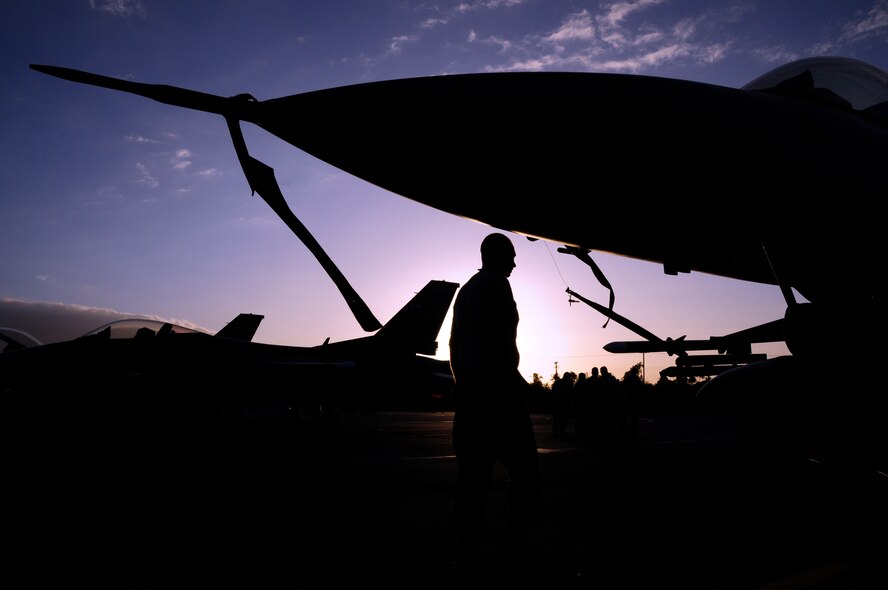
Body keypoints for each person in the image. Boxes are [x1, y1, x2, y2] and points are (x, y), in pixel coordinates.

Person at [449, 232, 541, 570]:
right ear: (496, 255)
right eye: (511, 255)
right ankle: (516, 540)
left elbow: (454, 344)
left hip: (470, 396)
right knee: (526, 471)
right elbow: (499, 337)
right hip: (498, 397)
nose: (515, 263)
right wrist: (515, 381)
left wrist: (462, 383)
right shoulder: (497, 286)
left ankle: (466, 545)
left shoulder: (466, 290)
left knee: (472, 477)